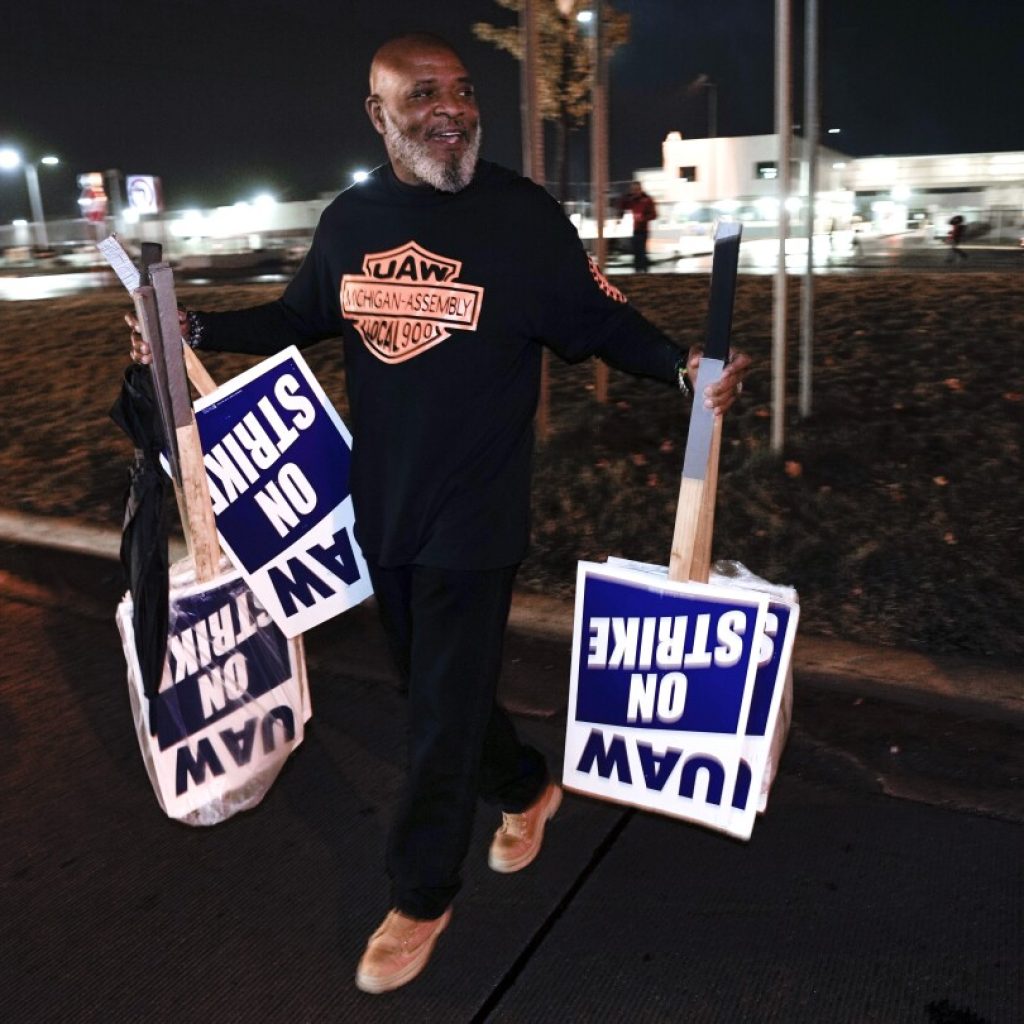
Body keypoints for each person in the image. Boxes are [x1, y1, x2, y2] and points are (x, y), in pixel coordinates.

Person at [127, 32, 750, 995]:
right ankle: (526, 786)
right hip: (382, 507)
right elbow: (298, 319)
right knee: (436, 691)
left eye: (461, 91)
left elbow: (601, 319)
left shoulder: (523, 218)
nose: (452, 108)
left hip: (477, 514)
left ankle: (419, 895)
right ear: (380, 116)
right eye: (424, 96)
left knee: (438, 712)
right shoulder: (351, 218)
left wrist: (682, 367)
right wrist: (190, 328)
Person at [618, 180, 658, 271]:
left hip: (642, 229)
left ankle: (642, 269)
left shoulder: (647, 200)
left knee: (640, 251)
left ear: (640, 189)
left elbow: (654, 215)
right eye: (633, 190)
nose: (634, 192)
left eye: (636, 190)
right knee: (636, 251)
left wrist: (642, 218)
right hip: (632, 230)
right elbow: (621, 209)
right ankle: (639, 270)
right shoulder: (629, 200)